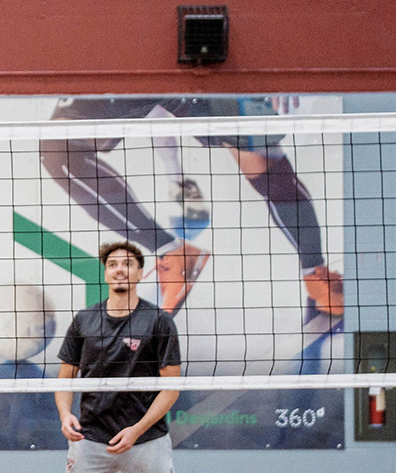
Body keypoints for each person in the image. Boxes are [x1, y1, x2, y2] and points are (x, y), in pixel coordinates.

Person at [39, 96, 343, 315]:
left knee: (259, 154)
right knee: (59, 144)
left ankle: (314, 271)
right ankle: (173, 251)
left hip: (200, 55)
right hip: (129, 51)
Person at [55, 241, 181, 473]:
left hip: (146, 439)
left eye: (128, 264)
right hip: (91, 438)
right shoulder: (84, 320)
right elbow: (65, 379)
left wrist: (138, 429)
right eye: (112, 264)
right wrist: (65, 414)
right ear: (106, 274)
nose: (119, 269)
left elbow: (171, 388)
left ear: (140, 274)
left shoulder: (159, 321)